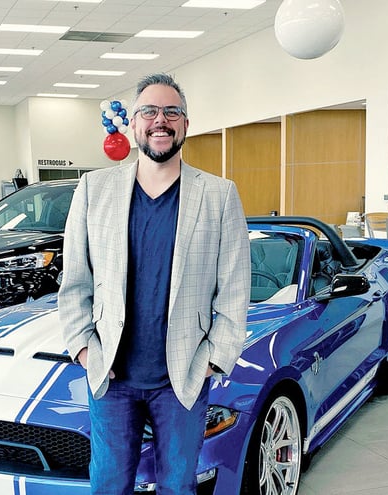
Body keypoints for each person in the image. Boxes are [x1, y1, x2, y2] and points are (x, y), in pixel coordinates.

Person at [59, 73, 251, 494]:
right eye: (149, 111)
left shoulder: (219, 195)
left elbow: (235, 289)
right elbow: (74, 281)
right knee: (108, 485)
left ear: (185, 124)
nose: (159, 120)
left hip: (182, 376)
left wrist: (215, 359)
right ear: (132, 123)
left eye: (171, 112)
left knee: (178, 486)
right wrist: (84, 348)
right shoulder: (94, 188)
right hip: (111, 375)